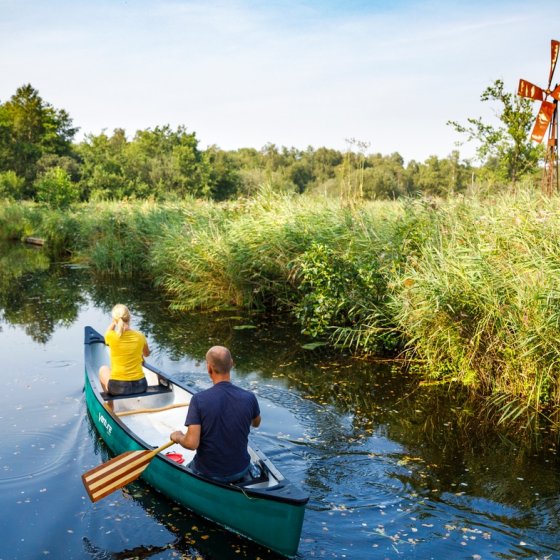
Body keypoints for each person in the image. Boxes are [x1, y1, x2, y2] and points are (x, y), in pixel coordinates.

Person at [170, 345, 261, 482]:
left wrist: (178, 437)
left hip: (209, 473)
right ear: (231, 364)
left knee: (182, 473)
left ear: (209, 368)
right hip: (241, 470)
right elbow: (256, 423)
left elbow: (191, 444)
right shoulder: (249, 397)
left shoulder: (199, 400)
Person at [99, 303, 151, 396]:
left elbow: (107, 332)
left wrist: (114, 322)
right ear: (129, 318)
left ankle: (110, 406)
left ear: (114, 319)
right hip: (141, 386)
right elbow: (147, 354)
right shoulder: (140, 336)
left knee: (103, 369)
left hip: (118, 388)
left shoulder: (110, 336)